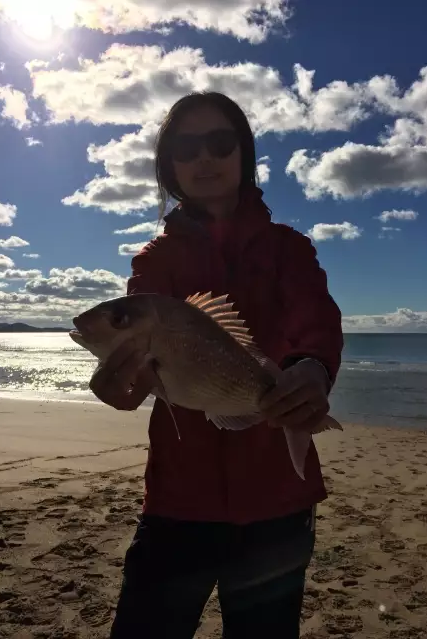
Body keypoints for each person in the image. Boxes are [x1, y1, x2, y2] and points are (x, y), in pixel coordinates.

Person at [90, 92, 344, 639]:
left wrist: (311, 370)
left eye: (220, 142)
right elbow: (143, 365)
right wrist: (125, 383)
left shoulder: (288, 249)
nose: (204, 158)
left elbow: (315, 316)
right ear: (169, 165)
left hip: (278, 500)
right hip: (177, 501)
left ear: (243, 154)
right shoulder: (155, 262)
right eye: (185, 147)